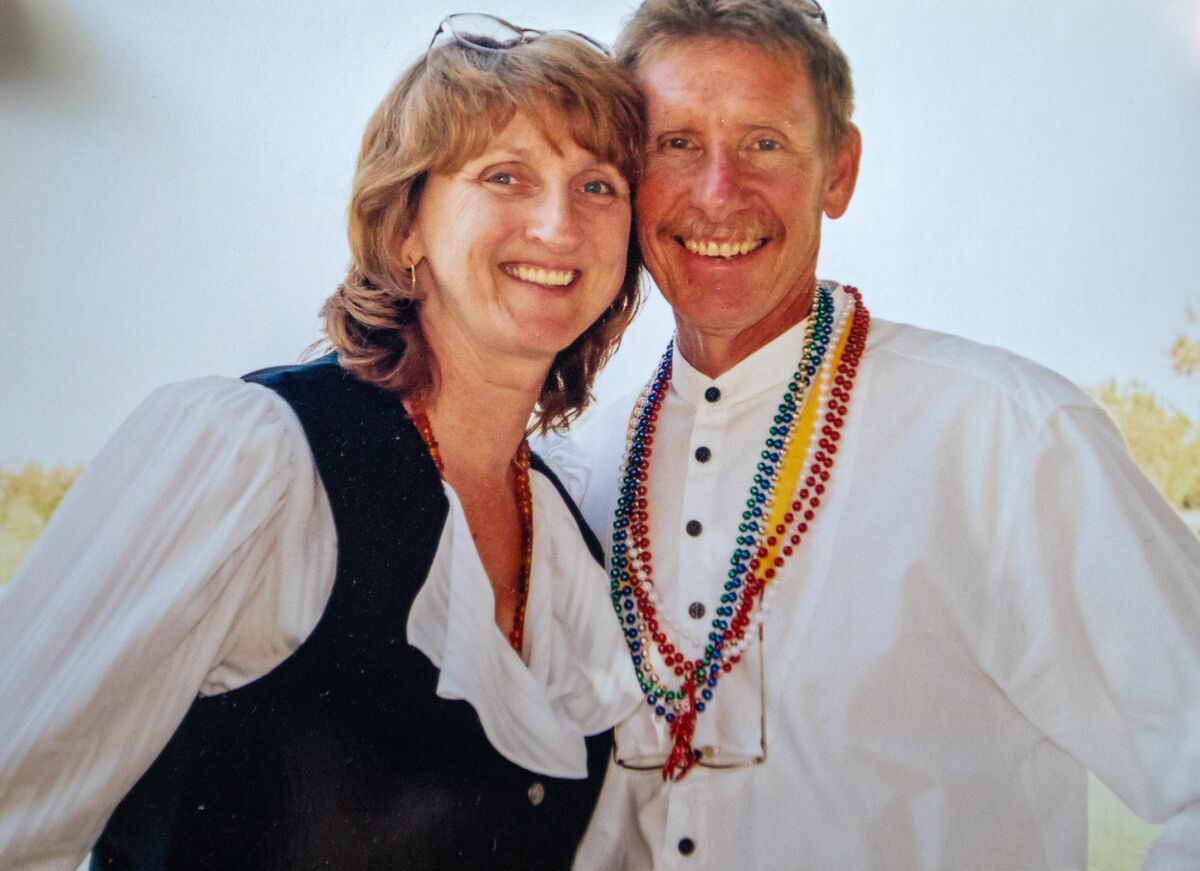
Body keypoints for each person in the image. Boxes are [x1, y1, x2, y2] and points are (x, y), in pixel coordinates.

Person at [563, 1, 1200, 868]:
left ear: (840, 169)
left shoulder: (1005, 440)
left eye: (765, 143)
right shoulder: (578, 474)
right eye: (677, 143)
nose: (718, 192)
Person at [0, 14, 645, 870]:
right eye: (505, 175)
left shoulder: (575, 528)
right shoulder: (254, 456)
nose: (560, 226)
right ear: (406, 225)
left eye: (598, 186)